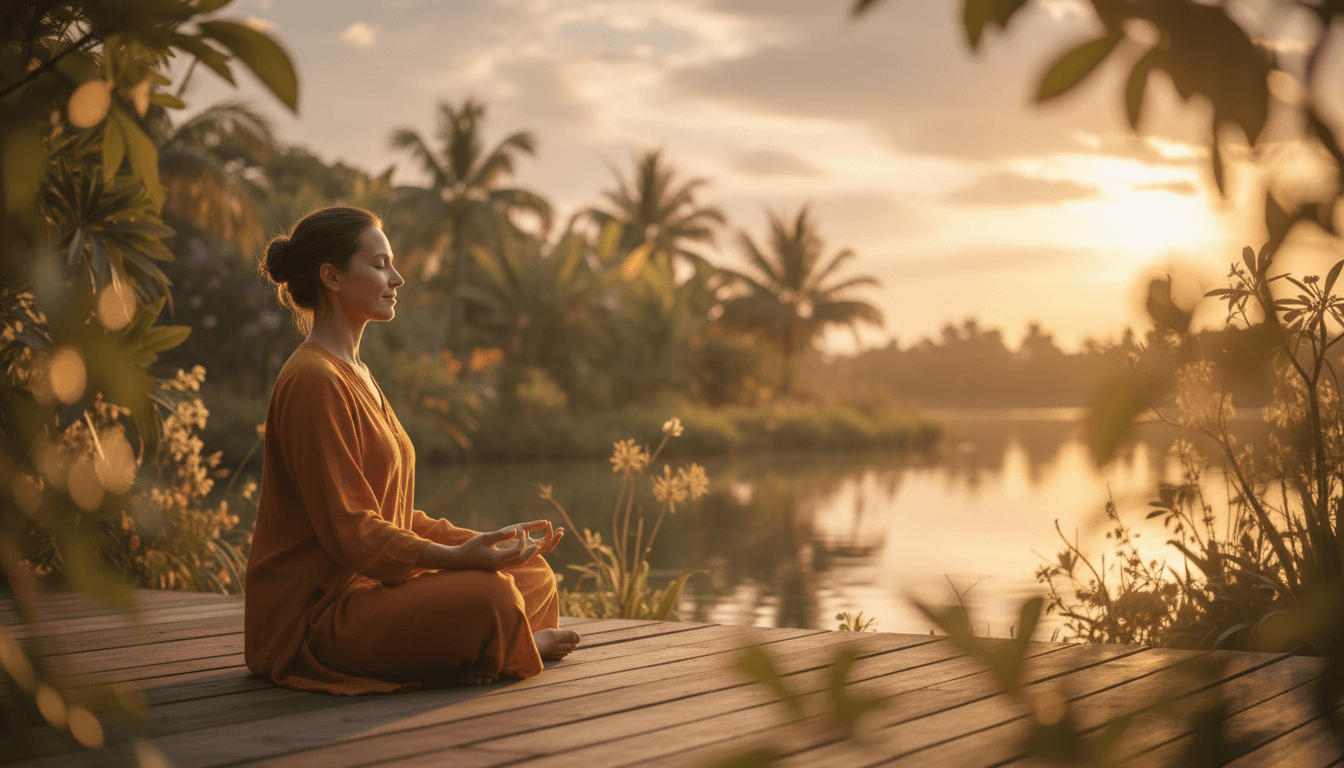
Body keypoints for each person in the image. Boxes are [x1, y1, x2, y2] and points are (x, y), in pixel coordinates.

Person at [244, 206, 580, 695]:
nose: (397, 278)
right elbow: (354, 533)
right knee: (490, 599)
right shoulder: (313, 380)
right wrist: (457, 559)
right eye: (380, 265)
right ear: (332, 277)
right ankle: (505, 643)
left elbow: (392, 515)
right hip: (316, 619)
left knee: (530, 573)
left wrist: (485, 544)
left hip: (372, 590)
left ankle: (495, 646)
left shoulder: (355, 370)